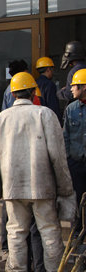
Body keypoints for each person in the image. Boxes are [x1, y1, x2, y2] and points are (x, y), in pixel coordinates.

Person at [0, 72, 74, 272]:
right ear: (34, 92)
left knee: (15, 232)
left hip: (12, 187)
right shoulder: (45, 114)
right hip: (42, 186)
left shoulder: (1, 119)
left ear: (13, 94)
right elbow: (58, 156)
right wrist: (65, 188)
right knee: (50, 231)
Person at [63, 68, 86, 221]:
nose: (71, 89)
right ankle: (77, 230)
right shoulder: (71, 109)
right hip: (76, 164)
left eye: (74, 85)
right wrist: (68, 159)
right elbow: (65, 136)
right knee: (76, 202)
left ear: (84, 87)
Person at [35, 57, 61, 122]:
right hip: (48, 119)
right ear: (48, 69)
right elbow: (53, 105)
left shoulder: (34, 83)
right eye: (52, 69)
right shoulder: (50, 84)